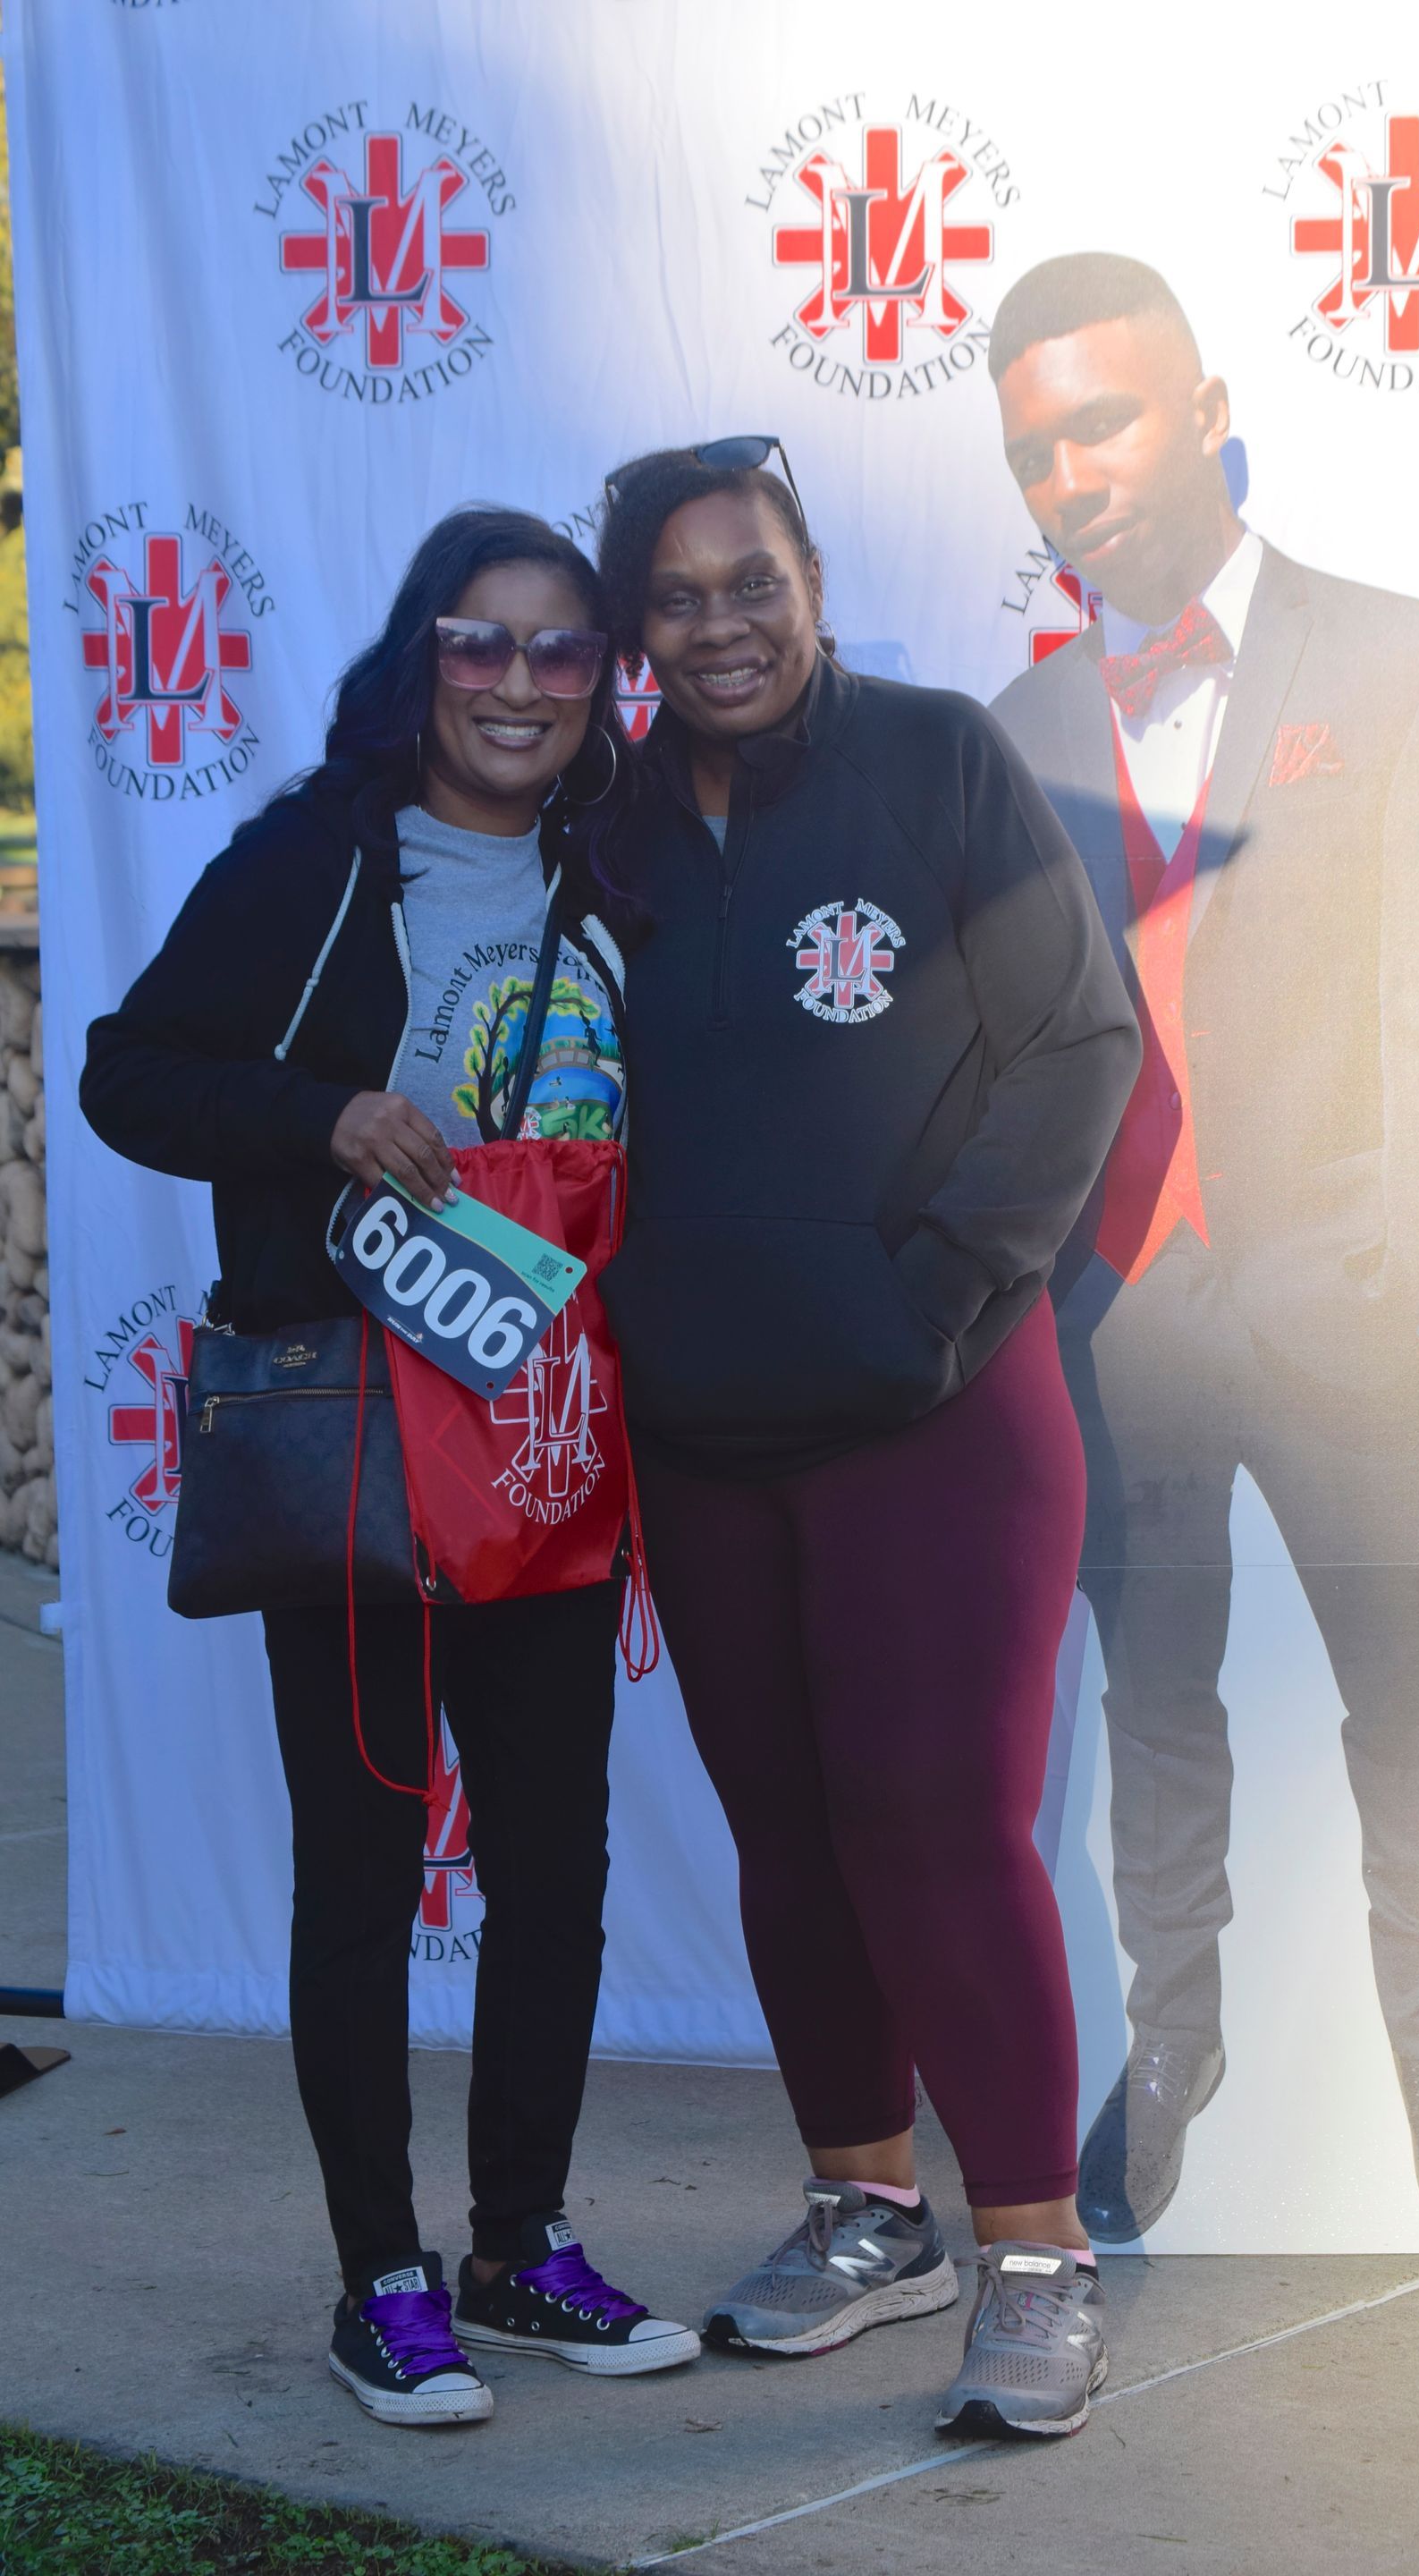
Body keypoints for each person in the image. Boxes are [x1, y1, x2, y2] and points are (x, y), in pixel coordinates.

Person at [80, 508, 699, 2427]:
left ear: (603, 683)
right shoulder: (313, 859)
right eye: (479, 643)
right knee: (361, 1876)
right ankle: (382, 2281)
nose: (518, 683)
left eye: (560, 650)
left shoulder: (625, 873)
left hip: (553, 1447)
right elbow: (124, 1072)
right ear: (421, 659)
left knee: (556, 1870)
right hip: (357, 1447)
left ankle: (520, 2249)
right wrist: (324, 1115)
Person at [594, 438, 1140, 2440]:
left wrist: (933, 1299)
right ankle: (865, 2212)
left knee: (936, 1821)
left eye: (752, 581)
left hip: (939, 1407)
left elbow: (1079, 1040)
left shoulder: (936, 759)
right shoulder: (602, 825)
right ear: (632, 630)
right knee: (792, 1833)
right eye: (675, 596)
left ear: (812, 582)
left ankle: (1037, 2259)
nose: (721, 626)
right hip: (704, 1431)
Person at [984, 253, 1419, 2250]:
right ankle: (1175, 2051)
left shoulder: (1408, 659)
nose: (1073, 476)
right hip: (1117, 1316)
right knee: (1158, 1710)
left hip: (1338, 1304)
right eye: (1036, 452)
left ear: (1209, 411)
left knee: (1398, 1684)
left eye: (1105, 422)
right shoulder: (1013, 730)